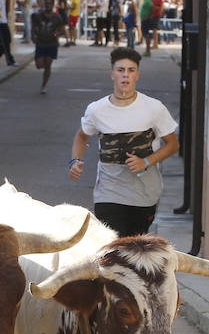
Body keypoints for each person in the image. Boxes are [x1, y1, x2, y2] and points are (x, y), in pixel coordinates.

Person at [68, 47, 180, 236]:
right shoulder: (97, 110)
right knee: (113, 247)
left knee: (134, 250)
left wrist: (146, 162)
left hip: (144, 194)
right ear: (112, 74)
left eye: (131, 70)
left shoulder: (154, 108)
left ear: (137, 75)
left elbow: (173, 144)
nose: (125, 75)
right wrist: (75, 161)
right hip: (108, 193)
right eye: (120, 70)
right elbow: (81, 135)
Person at [30, 0, 62, 95]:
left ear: (53, 5)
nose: (48, 5)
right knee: (39, 65)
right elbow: (34, 27)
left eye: (50, 4)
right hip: (40, 42)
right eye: (46, 3)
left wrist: (57, 34)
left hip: (51, 43)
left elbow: (61, 28)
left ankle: (44, 85)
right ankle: (42, 65)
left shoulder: (57, 17)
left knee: (48, 65)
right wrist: (33, 36)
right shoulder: (39, 16)